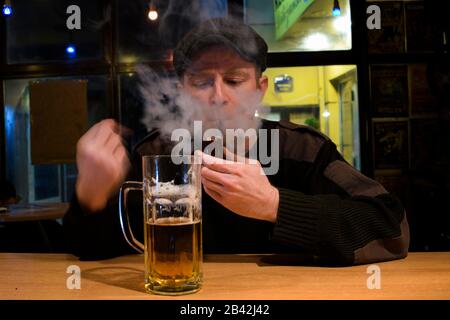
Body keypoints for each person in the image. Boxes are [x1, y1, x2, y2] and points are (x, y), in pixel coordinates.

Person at [63, 17, 409, 265]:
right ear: (182, 90)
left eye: (234, 79)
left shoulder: (300, 150)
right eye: (201, 82)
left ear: (260, 90)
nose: (218, 96)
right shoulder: (156, 155)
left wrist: (274, 204)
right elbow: (87, 250)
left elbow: (391, 228)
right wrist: (90, 198)